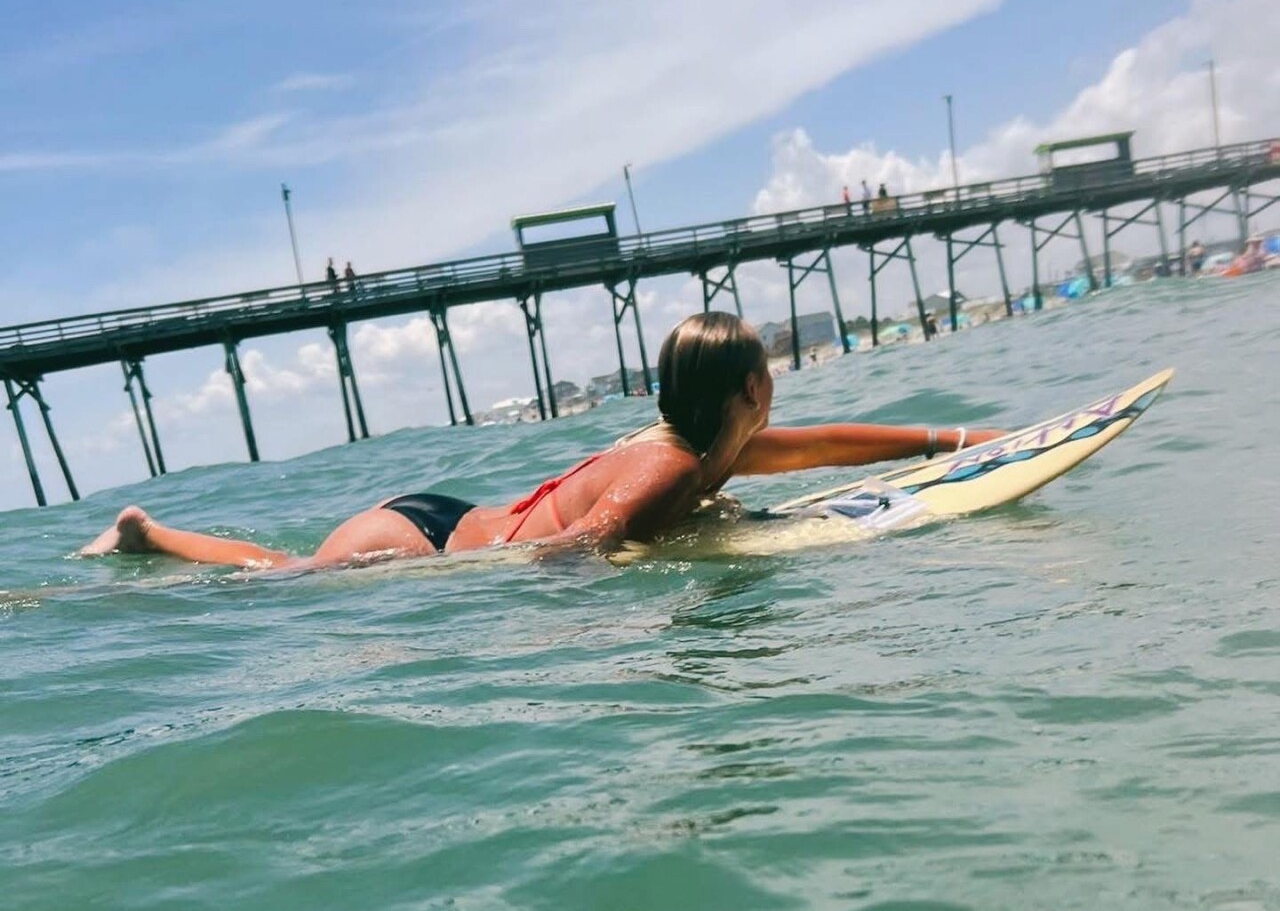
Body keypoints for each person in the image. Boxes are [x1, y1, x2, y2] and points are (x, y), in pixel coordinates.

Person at [79, 313, 1002, 572]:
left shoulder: (709, 446)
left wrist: (959, 438)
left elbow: (828, 447)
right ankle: (149, 534)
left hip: (446, 515)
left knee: (289, 573)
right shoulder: (676, 465)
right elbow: (579, 548)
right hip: (420, 544)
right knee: (285, 582)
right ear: (751, 390)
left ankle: (148, 535)